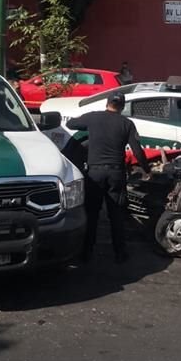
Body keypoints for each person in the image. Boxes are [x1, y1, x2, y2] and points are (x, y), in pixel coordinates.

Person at [66, 92, 147, 264]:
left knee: (92, 213)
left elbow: (71, 123)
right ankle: (120, 253)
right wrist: (147, 170)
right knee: (116, 214)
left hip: (94, 173)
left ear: (107, 103)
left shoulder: (93, 118)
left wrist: (89, 125)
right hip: (116, 174)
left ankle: (86, 252)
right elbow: (137, 151)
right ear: (122, 107)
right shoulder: (127, 123)